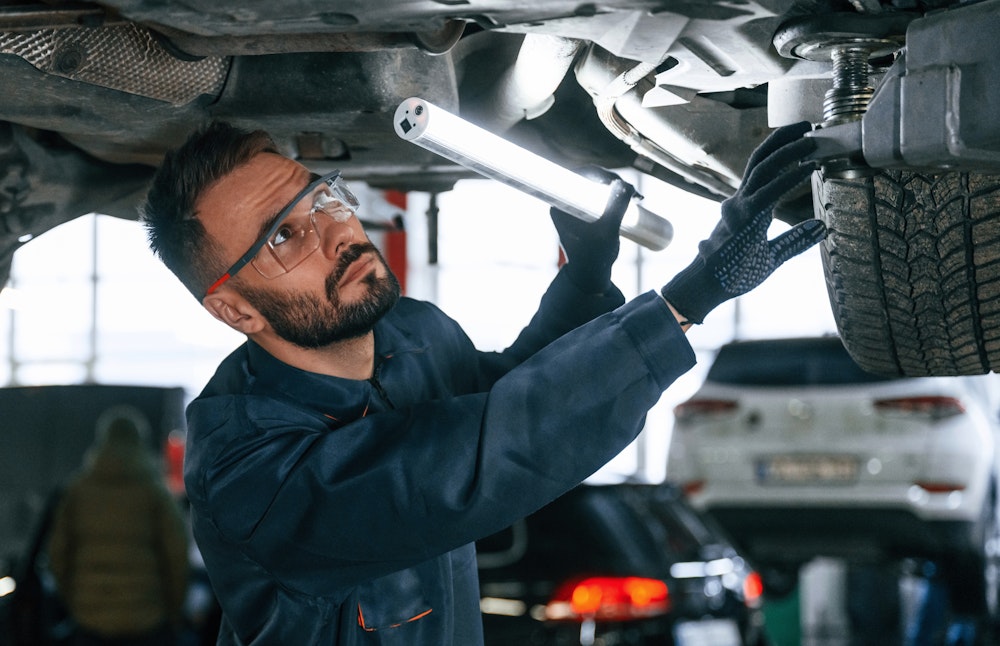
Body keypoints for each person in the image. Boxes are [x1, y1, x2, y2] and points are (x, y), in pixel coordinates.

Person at [140, 118, 825, 645]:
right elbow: (481, 456)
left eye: (321, 199)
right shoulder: (247, 470)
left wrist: (583, 282)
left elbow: (511, 389)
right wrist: (686, 300)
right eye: (283, 238)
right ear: (235, 308)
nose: (333, 233)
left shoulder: (414, 338)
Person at [47, 408, 190, 646]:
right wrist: (173, 612)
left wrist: (74, 602)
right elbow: (176, 555)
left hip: (89, 620)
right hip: (146, 621)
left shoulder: (78, 490)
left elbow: (58, 552)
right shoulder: (154, 492)